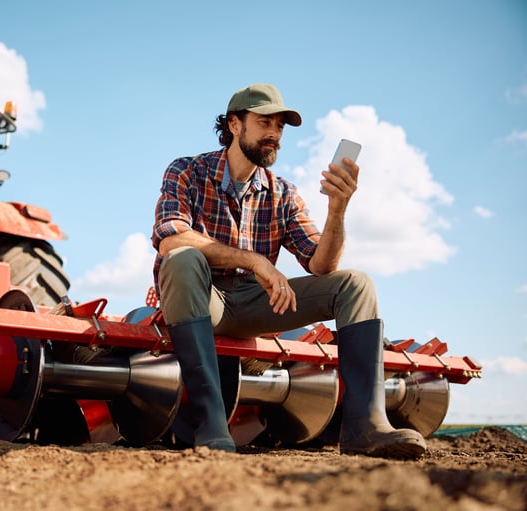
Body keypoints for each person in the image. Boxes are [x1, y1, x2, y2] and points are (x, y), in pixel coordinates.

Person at [150, 83, 427, 459]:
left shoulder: (283, 192)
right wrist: (255, 260)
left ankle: (365, 426)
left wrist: (338, 209)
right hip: (200, 298)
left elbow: (321, 264)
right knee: (183, 257)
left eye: (280, 127)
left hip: (254, 303)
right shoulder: (187, 171)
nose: (274, 134)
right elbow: (171, 238)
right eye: (264, 122)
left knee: (356, 284)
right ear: (234, 124)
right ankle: (211, 423)